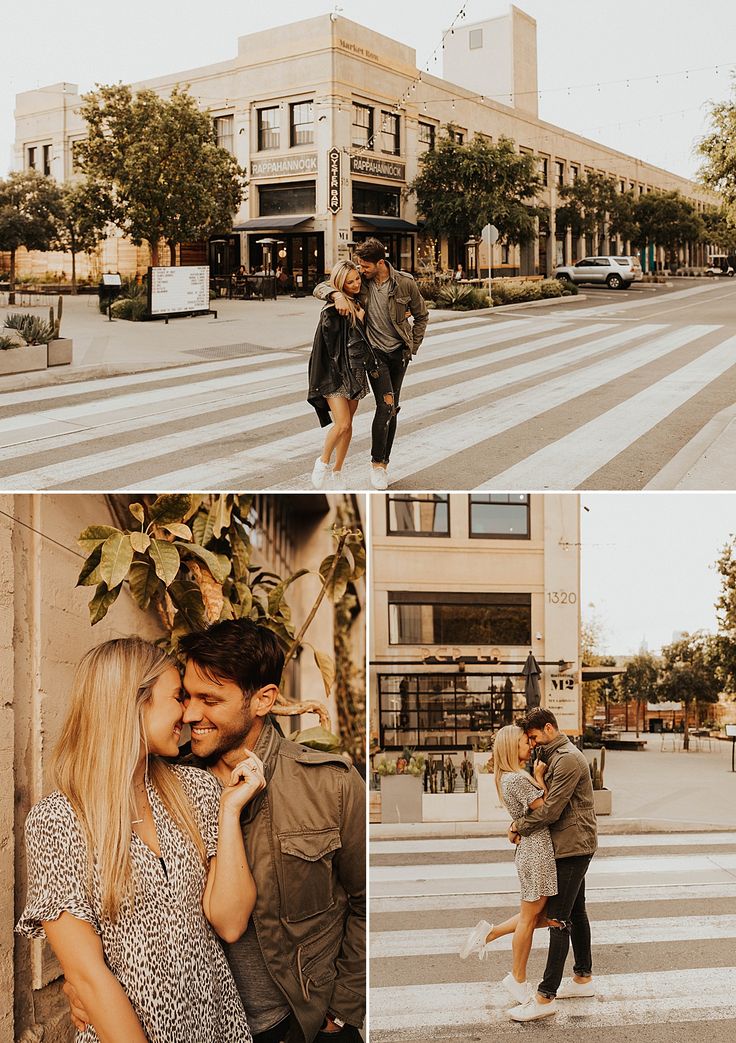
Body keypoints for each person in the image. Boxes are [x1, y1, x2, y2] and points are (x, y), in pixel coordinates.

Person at [65, 619, 366, 1043]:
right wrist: (81, 986)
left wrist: (341, 1008)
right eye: (185, 696)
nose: (190, 714)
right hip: (201, 1029)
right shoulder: (164, 784)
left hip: (302, 1024)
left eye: (209, 699)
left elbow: (365, 901)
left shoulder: (329, 785)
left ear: (262, 700)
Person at [16, 637, 259, 1043]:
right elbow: (88, 978)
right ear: (133, 702)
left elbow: (232, 923)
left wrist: (230, 811)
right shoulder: (58, 820)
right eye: (178, 697)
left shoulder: (196, 790)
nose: (188, 712)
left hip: (219, 1027)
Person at [505, 707, 598, 1023]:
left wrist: (519, 825)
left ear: (548, 729)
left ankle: (545, 997)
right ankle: (583, 978)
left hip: (572, 846)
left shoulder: (568, 759)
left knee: (558, 919)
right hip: (571, 844)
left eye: (533, 737)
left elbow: (553, 809)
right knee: (576, 912)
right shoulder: (553, 757)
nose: (532, 743)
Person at [313, 237, 428, 490]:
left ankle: (382, 464)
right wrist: (336, 295)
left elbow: (422, 315)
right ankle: (378, 465)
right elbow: (322, 286)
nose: (361, 271)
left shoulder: (405, 283)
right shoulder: (360, 283)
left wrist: (413, 347)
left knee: (392, 408)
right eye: (359, 267)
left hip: (398, 354)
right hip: (375, 356)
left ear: (380, 263)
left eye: (365, 267)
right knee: (385, 404)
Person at [459, 724, 557, 1007]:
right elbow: (548, 810)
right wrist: (540, 778)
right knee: (532, 917)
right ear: (512, 746)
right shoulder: (516, 779)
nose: (530, 744)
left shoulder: (510, 778)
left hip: (532, 849)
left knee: (543, 915)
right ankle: (517, 979)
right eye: (525, 741)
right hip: (536, 851)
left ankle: (488, 934)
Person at [308, 259, 376, 489]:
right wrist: (337, 297)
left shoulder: (358, 301)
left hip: (356, 370)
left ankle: (338, 472)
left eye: (357, 278)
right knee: (342, 423)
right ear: (341, 284)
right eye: (350, 282)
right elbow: (320, 287)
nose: (356, 283)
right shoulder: (336, 307)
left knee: (348, 425)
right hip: (335, 372)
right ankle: (322, 462)